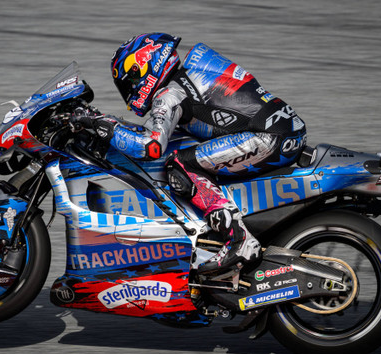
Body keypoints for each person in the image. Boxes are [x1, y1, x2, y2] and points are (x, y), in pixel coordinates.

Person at [72, 33, 307, 275]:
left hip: (268, 137)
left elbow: (150, 146)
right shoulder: (189, 78)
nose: (129, 88)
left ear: (144, 69)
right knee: (186, 150)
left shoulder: (170, 95)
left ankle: (239, 239)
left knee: (180, 165)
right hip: (283, 128)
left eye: (129, 80)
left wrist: (99, 123)